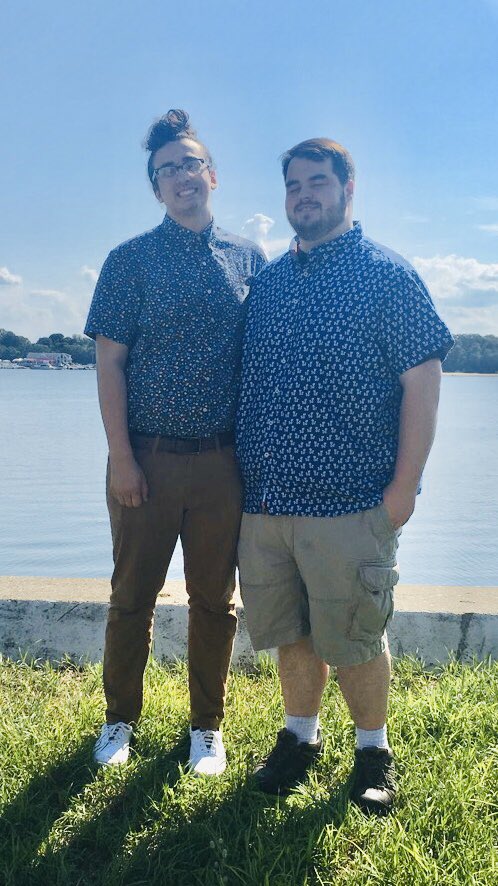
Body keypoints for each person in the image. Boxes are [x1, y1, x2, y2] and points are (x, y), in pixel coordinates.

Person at [236, 137, 453, 814]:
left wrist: (403, 489)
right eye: (294, 185)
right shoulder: (269, 283)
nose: (304, 195)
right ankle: (300, 738)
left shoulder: (388, 276)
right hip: (267, 501)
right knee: (292, 633)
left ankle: (372, 752)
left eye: (318, 182)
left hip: (352, 502)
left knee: (355, 637)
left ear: (348, 189)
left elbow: (423, 382)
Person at [84, 109, 266, 773]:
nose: (182, 176)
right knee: (131, 598)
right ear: (156, 187)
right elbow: (110, 364)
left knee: (215, 602)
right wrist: (122, 458)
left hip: (222, 462)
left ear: (211, 174)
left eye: (191, 163)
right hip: (147, 459)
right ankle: (119, 722)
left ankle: (206, 730)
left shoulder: (250, 259)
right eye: (168, 170)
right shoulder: (129, 261)